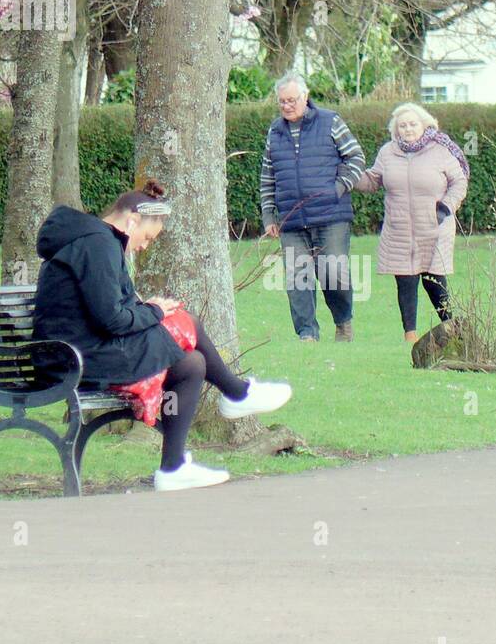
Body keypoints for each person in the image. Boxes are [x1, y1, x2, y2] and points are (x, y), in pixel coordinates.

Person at [33, 179, 292, 493]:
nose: (143, 246)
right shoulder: (97, 244)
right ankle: (236, 393)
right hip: (72, 358)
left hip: (83, 349)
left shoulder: (97, 241)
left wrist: (149, 309)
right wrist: (154, 312)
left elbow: (111, 309)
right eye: (146, 236)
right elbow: (111, 319)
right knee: (187, 323)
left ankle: (173, 468)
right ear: (133, 220)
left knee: (192, 363)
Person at [260, 71, 366, 342]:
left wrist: (339, 187)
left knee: (334, 273)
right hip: (291, 221)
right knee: (297, 280)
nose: (286, 106)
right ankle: (307, 334)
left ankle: (343, 322)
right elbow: (268, 175)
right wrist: (268, 214)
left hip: (331, 215)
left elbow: (356, 157)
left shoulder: (331, 121)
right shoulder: (274, 131)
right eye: (281, 101)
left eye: (292, 100)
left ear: (305, 97)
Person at [354, 102, 469, 342]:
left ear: (425, 125)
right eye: (402, 125)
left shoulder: (440, 150)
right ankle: (410, 336)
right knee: (405, 282)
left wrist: (446, 206)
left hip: (434, 226)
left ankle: (452, 329)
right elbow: (373, 180)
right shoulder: (388, 152)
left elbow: (459, 181)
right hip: (400, 229)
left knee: (434, 280)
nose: (408, 129)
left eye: (412, 124)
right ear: (396, 130)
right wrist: (350, 177)